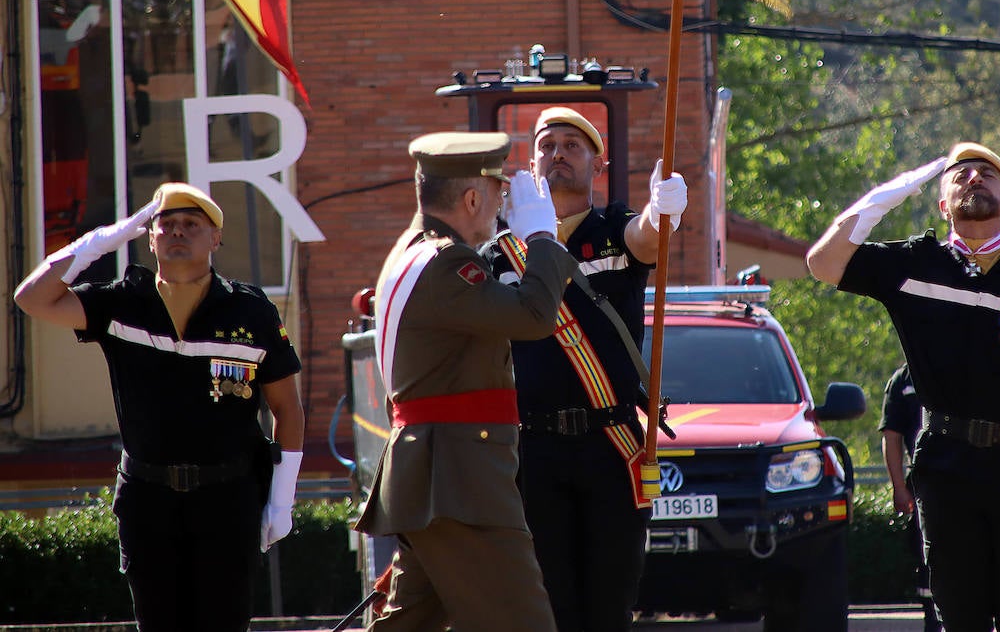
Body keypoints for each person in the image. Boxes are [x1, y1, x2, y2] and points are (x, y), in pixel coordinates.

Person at [808, 142, 1000, 632]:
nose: (974, 178)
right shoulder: (912, 263)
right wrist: (881, 200)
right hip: (948, 462)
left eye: (989, 174)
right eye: (960, 174)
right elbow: (822, 263)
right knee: (959, 611)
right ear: (942, 204)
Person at [13, 182, 305, 632]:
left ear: (216, 238)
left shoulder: (251, 311)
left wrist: (281, 501)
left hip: (228, 496)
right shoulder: (123, 301)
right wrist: (100, 242)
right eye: (165, 225)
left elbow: (288, 409)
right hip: (148, 498)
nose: (177, 232)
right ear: (149, 238)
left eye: (192, 224)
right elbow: (31, 298)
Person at [355, 132, 579, 630]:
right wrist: (542, 237)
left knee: (409, 624)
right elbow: (534, 315)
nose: (503, 205)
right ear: (473, 198)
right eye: (499, 194)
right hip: (459, 479)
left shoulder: (415, 252)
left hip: (439, 474)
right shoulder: (446, 263)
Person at [487, 106, 688, 632]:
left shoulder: (615, 233)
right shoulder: (502, 254)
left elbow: (647, 236)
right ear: (531, 163)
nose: (558, 154)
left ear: (598, 165)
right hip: (533, 450)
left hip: (610, 446)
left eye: (572, 146)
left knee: (608, 602)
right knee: (548, 606)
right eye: (547, 145)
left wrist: (662, 209)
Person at [878, 363, 941, 632]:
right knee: (925, 554)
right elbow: (891, 436)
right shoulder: (901, 381)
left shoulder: (955, 361)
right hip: (922, 483)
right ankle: (932, 622)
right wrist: (898, 487)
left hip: (965, 474)